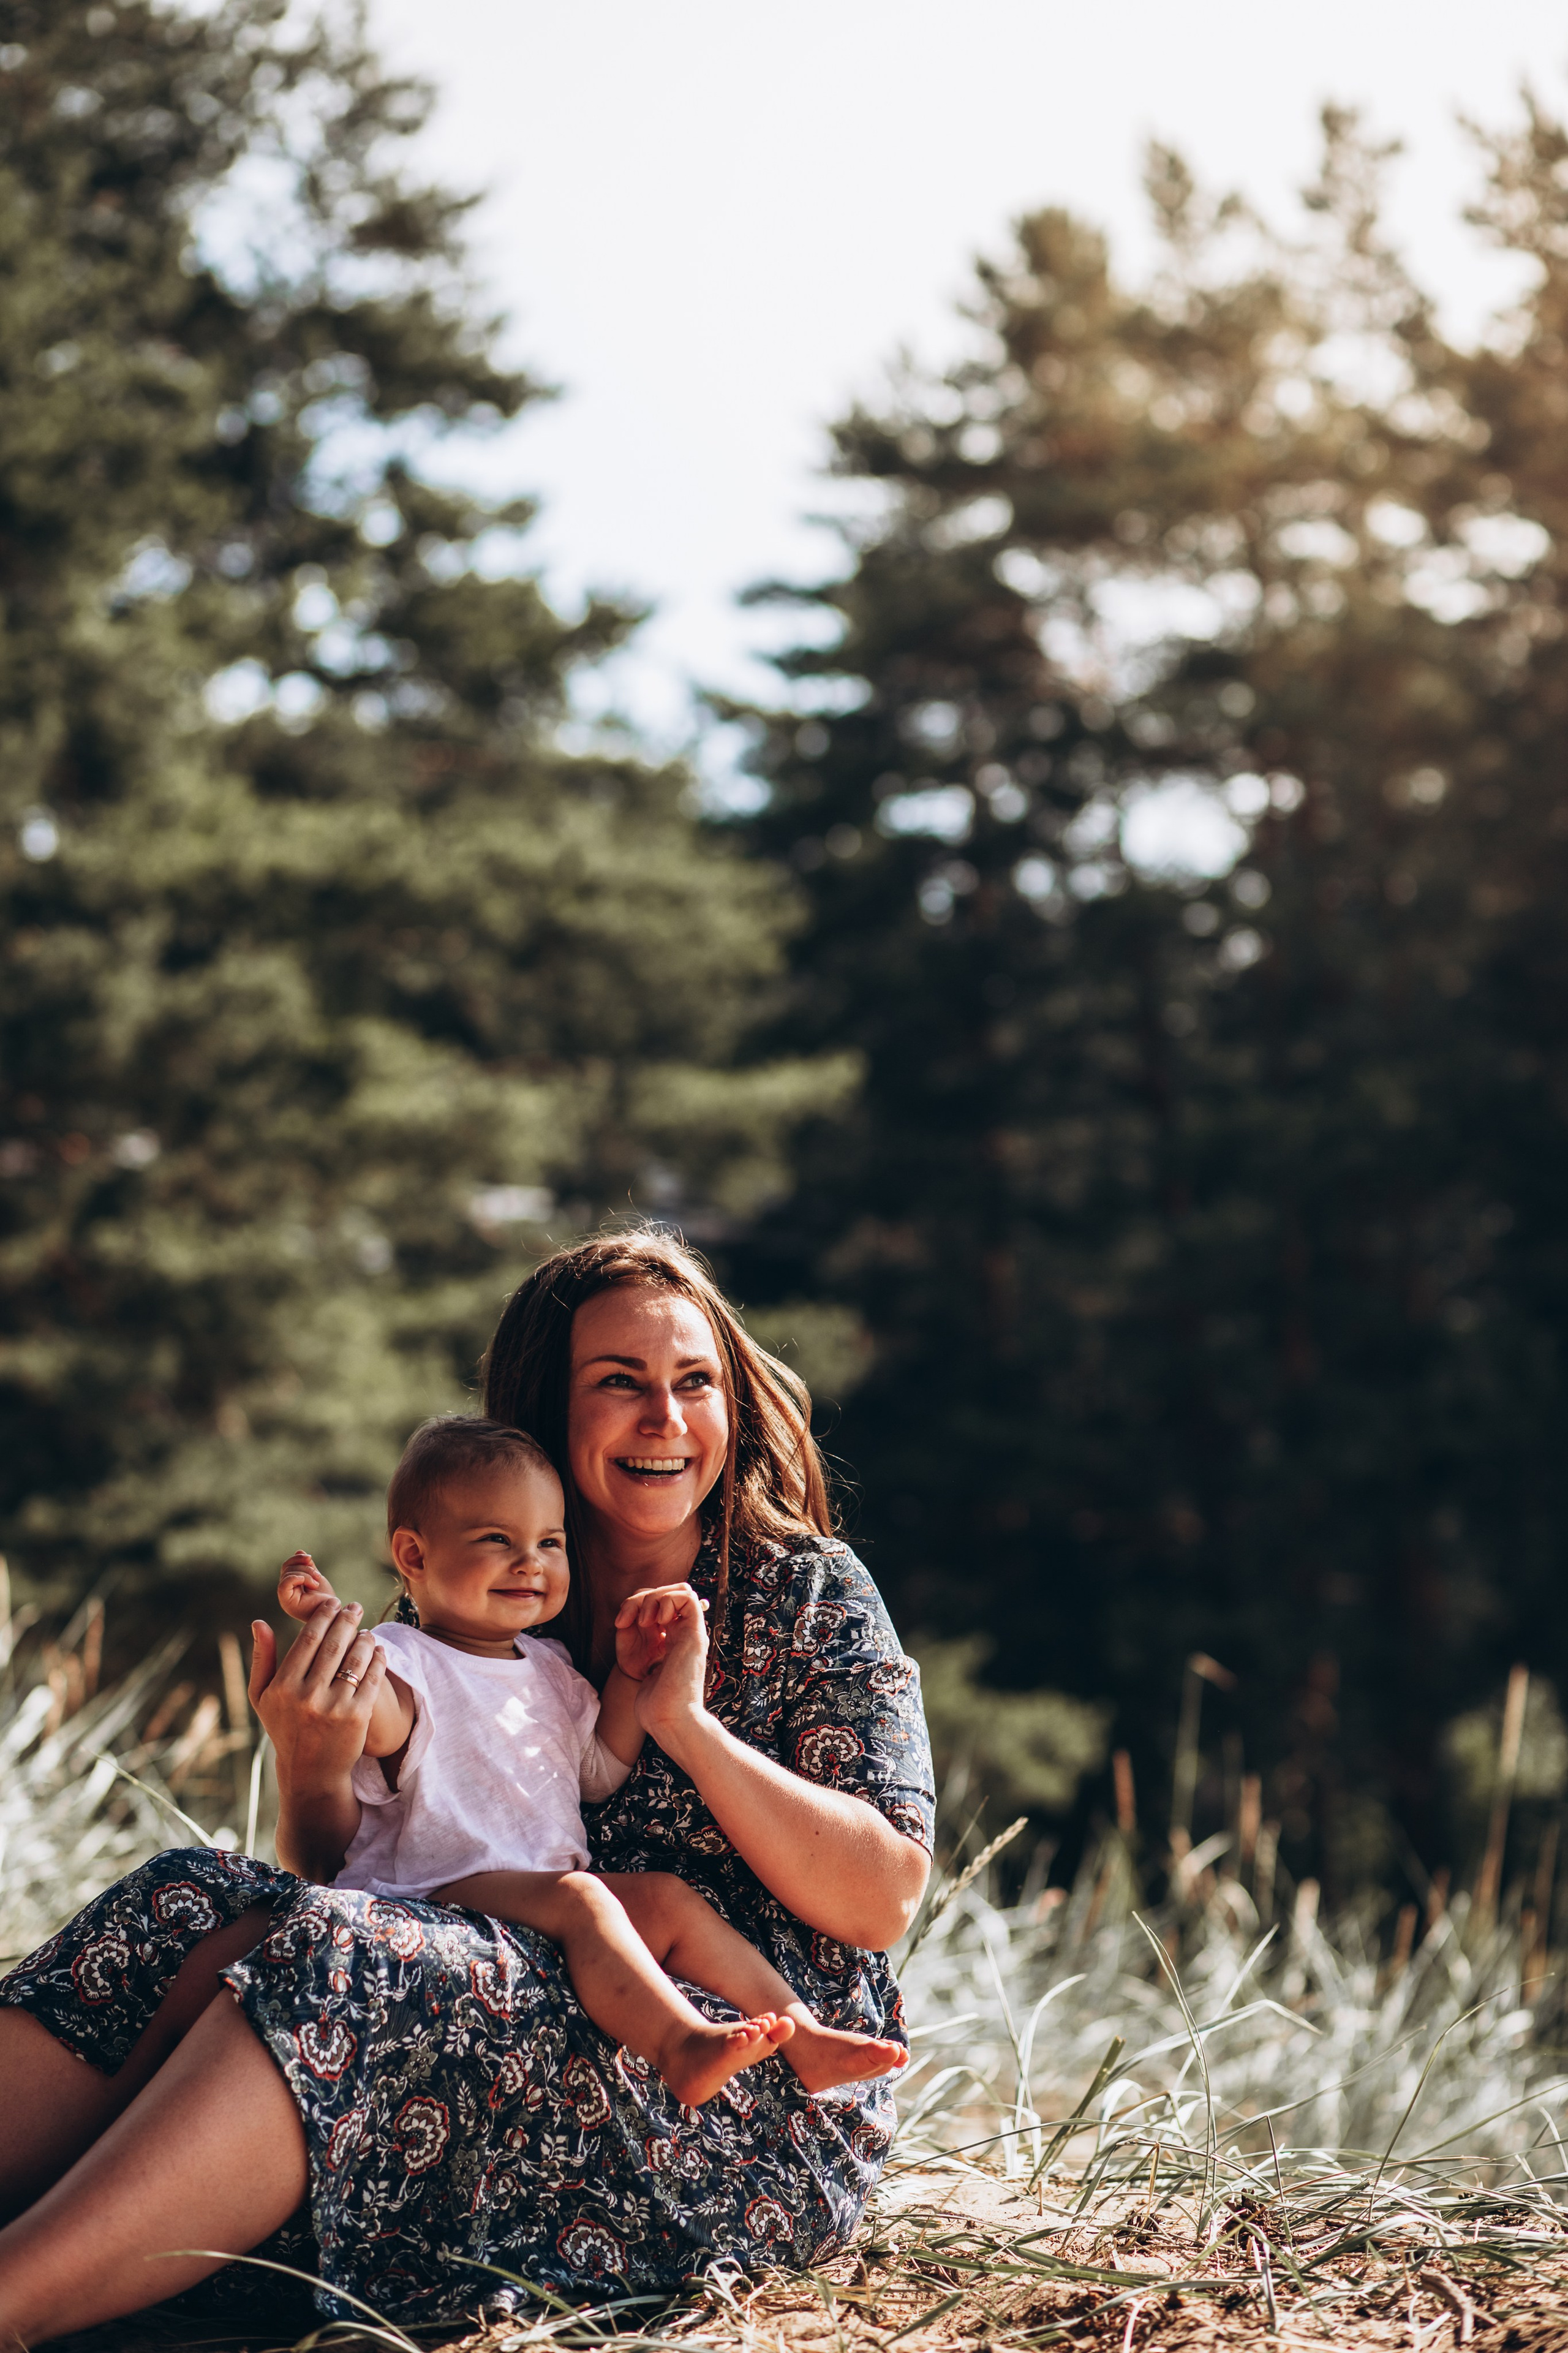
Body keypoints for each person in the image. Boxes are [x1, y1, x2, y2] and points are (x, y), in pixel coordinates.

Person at [0, 1229, 935, 2344]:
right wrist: (310, 1756)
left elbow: (883, 1899)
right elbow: (364, 1869)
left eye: (695, 1382)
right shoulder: (493, 1583)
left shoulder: (802, 1590)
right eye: (619, 1385)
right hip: (484, 1990)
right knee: (186, 1895)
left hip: (736, 2084)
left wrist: (681, 1721)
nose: (665, 1419)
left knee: (352, 1962)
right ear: (545, 1410)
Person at [277, 1413, 908, 2102]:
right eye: (497, 1539)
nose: (531, 1561)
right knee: (585, 1898)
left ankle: (803, 2034)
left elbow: (595, 1773)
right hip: (433, 1896)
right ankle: (680, 2043)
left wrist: (632, 1679)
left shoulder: (549, 1667)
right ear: (415, 1555)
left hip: (538, 1904)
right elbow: (372, 1712)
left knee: (665, 1901)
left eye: (550, 1542)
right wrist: (325, 1627)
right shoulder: (406, 1658)